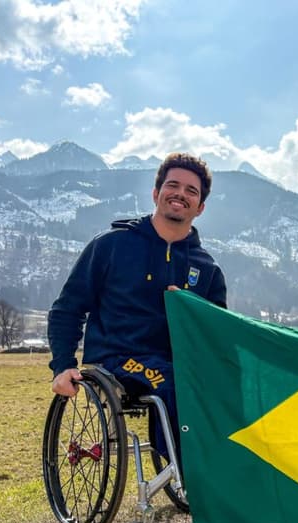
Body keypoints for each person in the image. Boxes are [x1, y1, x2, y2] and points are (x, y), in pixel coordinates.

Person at [47, 152, 227, 461]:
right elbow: (68, 308)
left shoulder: (207, 268)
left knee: (228, 389)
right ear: (157, 193)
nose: (180, 194)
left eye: (191, 190)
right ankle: (195, 479)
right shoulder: (112, 245)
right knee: (173, 384)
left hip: (177, 361)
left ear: (200, 207)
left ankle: (239, 474)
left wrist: (192, 308)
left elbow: (216, 332)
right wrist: (63, 365)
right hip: (117, 357)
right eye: (173, 185)